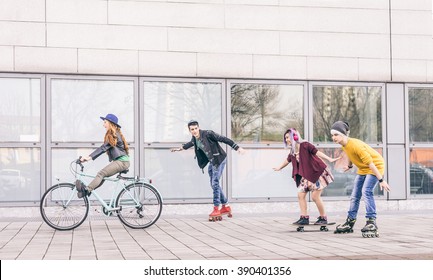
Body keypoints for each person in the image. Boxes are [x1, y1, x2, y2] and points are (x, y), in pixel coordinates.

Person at [171, 120, 245, 221]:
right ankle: (226, 206)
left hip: (219, 159)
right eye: (192, 129)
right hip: (212, 161)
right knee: (213, 184)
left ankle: (216, 208)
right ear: (189, 130)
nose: (194, 131)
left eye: (196, 128)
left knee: (215, 183)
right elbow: (190, 143)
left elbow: (224, 139)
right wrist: (180, 149)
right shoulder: (194, 138)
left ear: (198, 128)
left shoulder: (208, 134)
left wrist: (237, 148)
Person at [331, 121, 391, 236]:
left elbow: (371, 164)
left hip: (375, 166)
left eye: (336, 135)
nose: (334, 137)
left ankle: (371, 222)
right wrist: (349, 165)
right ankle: (350, 222)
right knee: (355, 196)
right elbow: (349, 153)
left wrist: (381, 180)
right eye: (332, 135)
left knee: (366, 191)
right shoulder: (345, 144)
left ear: (343, 134)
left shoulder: (356, 145)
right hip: (363, 168)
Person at [273, 128, 338, 225]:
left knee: (315, 197)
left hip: (317, 173)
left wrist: (329, 159)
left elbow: (317, 152)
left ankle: (323, 218)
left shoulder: (305, 145)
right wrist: (279, 167)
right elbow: (288, 160)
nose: (286, 140)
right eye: (285, 138)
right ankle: (304, 218)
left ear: (294, 136)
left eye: (288, 137)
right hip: (306, 175)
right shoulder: (292, 151)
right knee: (301, 195)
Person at [76, 114, 130, 198]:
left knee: (101, 174)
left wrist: (88, 158)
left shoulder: (113, 134)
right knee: (102, 176)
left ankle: (86, 190)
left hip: (122, 162)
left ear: (111, 123)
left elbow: (103, 148)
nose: (103, 125)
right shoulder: (115, 133)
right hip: (122, 161)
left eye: (105, 122)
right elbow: (104, 148)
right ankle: (89, 190)